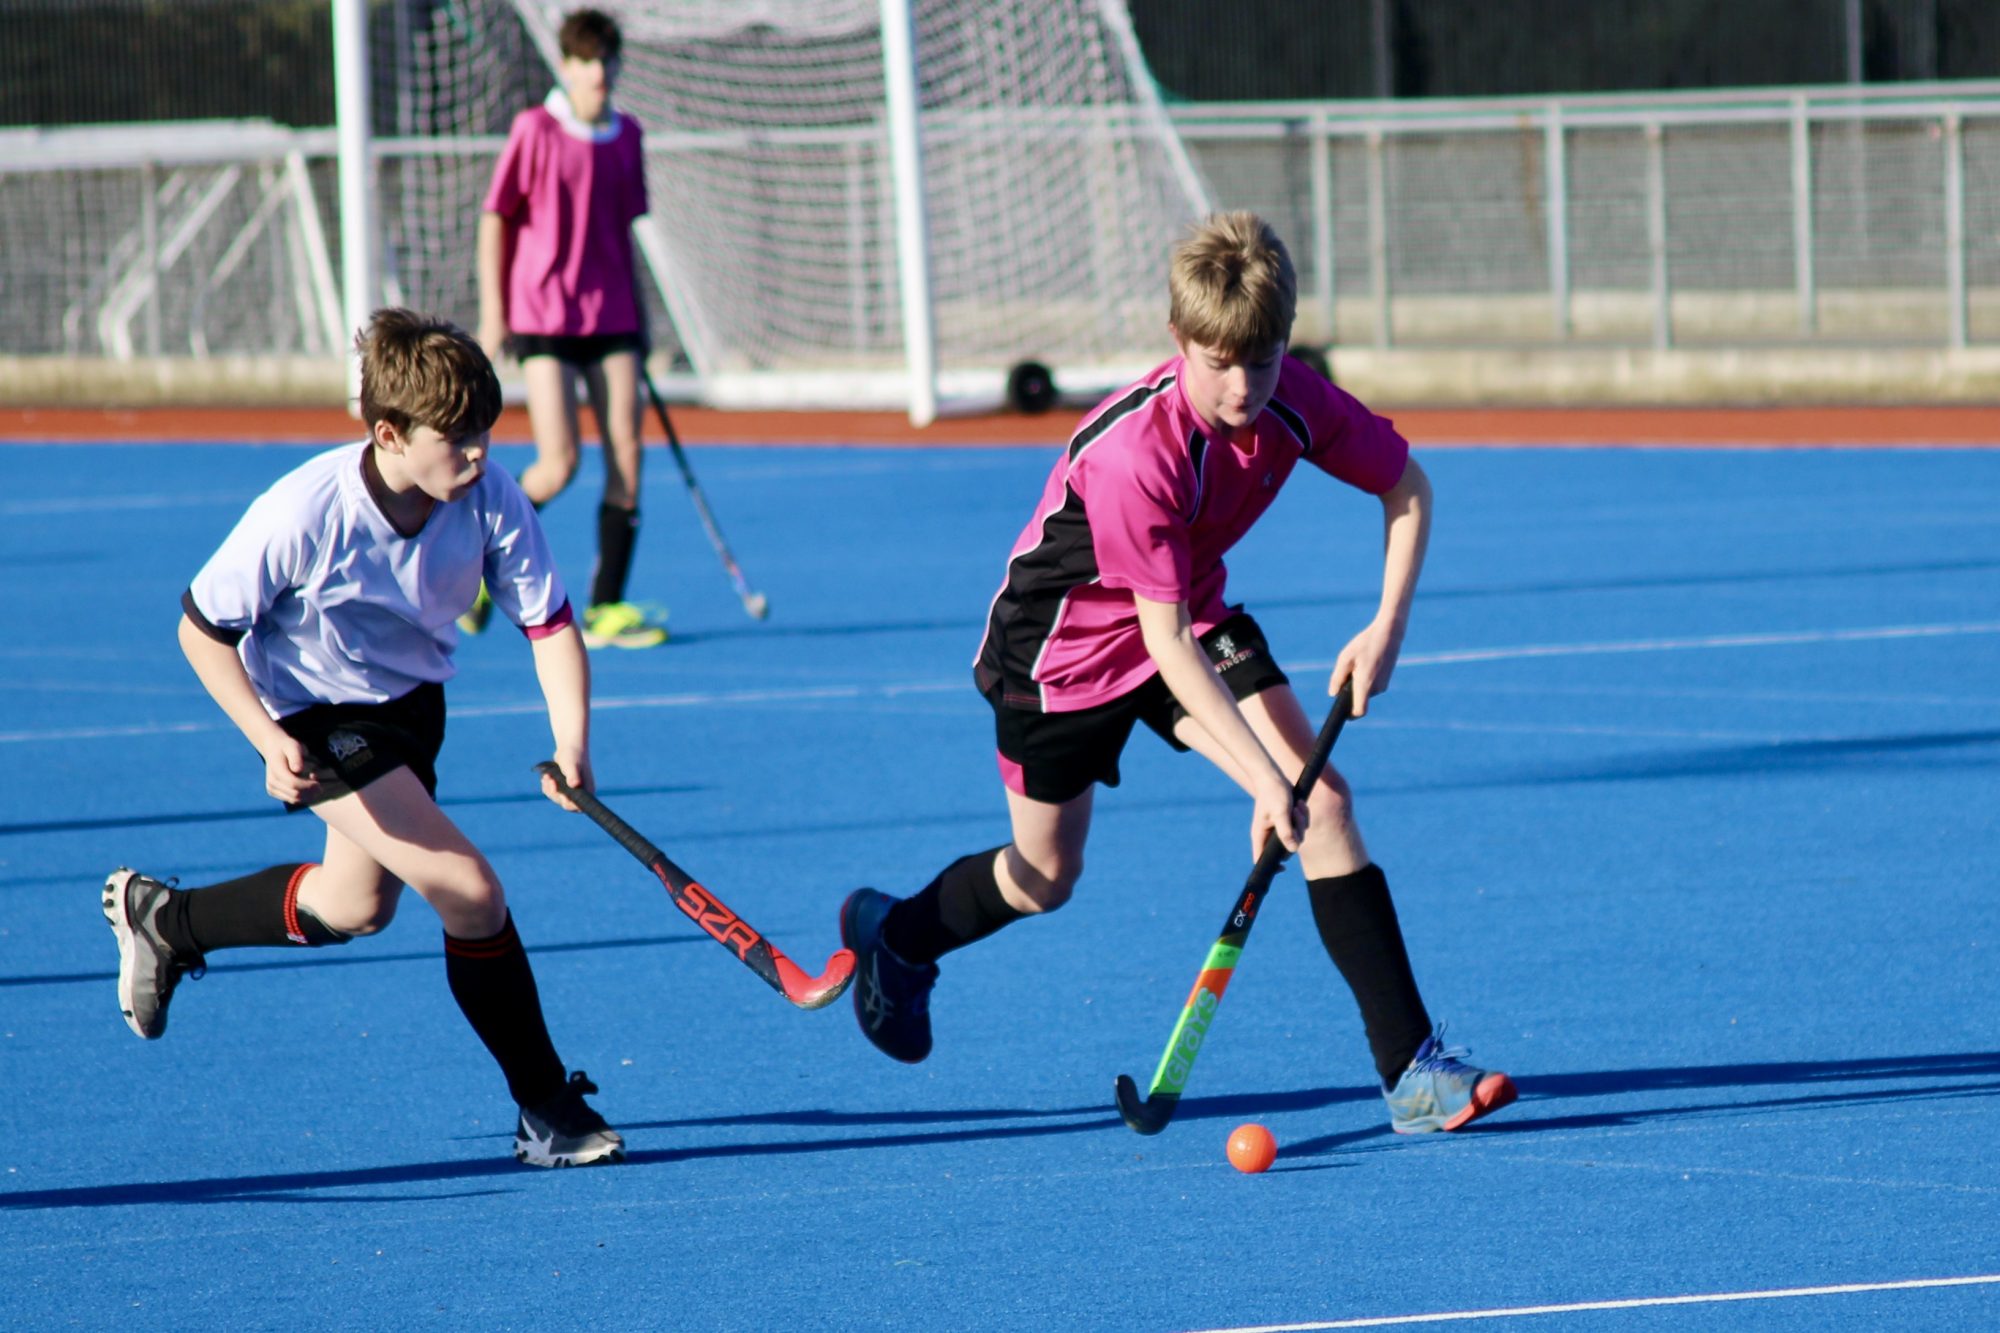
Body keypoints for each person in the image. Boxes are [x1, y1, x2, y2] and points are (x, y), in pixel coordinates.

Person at [839, 213, 1516, 1135]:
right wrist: (1263, 778)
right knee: (1045, 874)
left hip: (1189, 614)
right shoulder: (1135, 456)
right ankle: (899, 940)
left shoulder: (1295, 399)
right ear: (1178, 341)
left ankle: (1413, 1074)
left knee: (1326, 807)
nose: (1243, 388)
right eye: (1219, 362)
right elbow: (1162, 648)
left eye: (1264, 360)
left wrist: (1385, 627)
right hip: (1062, 655)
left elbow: (1408, 488)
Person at [101, 308, 625, 1168]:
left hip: (411, 711)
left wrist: (573, 744)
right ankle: (545, 1106)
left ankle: (168, 920)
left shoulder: (488, 497)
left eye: (487, 433)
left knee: (356, 906)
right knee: (468, 890)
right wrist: (266, 738)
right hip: (318, 718)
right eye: (457, 439)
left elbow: (550, 622)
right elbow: (202, 628)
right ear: (388, 432)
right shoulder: (304, 511)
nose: (482, 454)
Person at [469, 7, 665, 650]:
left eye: (607, 60)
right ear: (567, 65)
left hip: (611, 318)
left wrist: (640, 323)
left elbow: (623, 234)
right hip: (544, 315)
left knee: (628, 458)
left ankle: (607, 605)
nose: (598, 73)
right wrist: (496, 314)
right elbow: (497, 217)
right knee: (558, 464)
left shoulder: (629, 136)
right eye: (585, 61)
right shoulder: (535, 131)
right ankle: (473, 560)